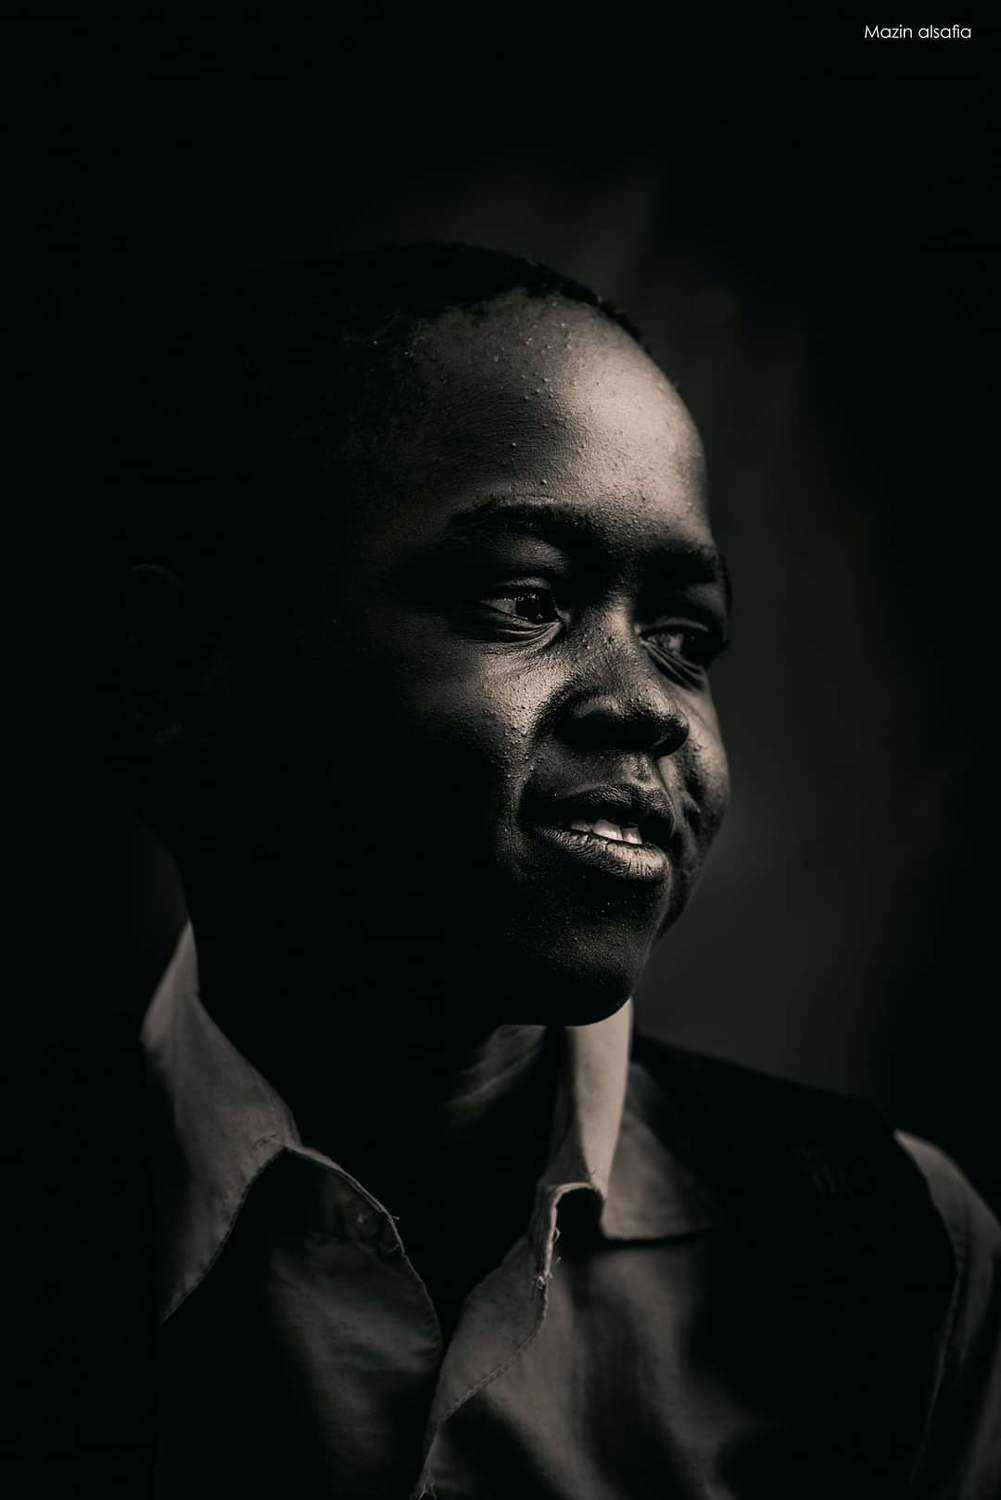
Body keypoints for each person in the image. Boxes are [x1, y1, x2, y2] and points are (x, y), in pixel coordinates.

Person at [117, 245, 999, 1497]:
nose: (647, 705)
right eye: (523, 597)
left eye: (684, 636)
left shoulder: (896, 1253)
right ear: (179, 678)